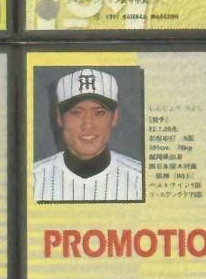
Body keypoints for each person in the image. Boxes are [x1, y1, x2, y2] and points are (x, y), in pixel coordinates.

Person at [32, 68, 142, 201]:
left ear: (114, 117)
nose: (88, 125)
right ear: (59, 117)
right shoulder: (32, 180)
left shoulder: (141, 180)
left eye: (99, 112)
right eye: (76, 112)